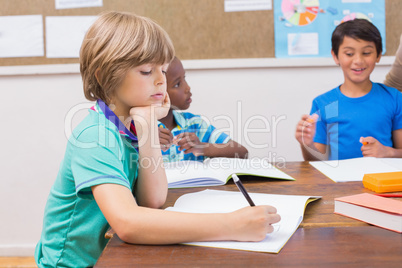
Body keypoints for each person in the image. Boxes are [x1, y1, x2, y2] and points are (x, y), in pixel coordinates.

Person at [35, 11, 280, 267]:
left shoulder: (128, 125)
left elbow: (152, 200)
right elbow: (128, 223)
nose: (160, 80)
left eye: (162, 69)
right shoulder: (95, 135)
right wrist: (232, 224)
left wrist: (147, 124)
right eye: (146, 70)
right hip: (76, 263)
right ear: (103, 76)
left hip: (111, 255)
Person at [295, 19, 402, 161]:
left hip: (383, 181)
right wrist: (306, 144)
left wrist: (387, 152)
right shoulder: (324, 103)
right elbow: (317, 162)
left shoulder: (394, 98)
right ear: (335, 56)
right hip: (339, 182)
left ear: (378, 55)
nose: (358, 60)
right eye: (349, 54)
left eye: (366, 53)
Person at [158, 57, 248, 162]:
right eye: (177, 84)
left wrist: (203, 147)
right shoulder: (139, 130)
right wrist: (146, 145)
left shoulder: (195, 124)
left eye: (184, 78)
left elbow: (242, 153)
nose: (188, 88)